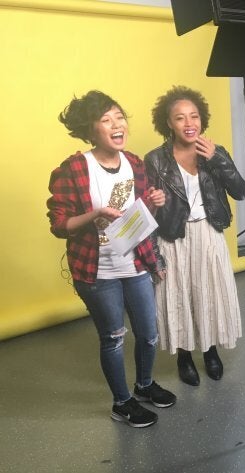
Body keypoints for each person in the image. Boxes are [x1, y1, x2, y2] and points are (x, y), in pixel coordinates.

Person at [47, 90, 176, 428]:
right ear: (90, 131)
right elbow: (60, 225)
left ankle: (145, 386)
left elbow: (137, 214)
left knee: (149, 334)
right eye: (106, 120)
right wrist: (94, 215)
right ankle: (122, 403)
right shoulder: (75, 168)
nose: (117, 125)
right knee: (114, 338)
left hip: (134, 263)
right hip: (96, 270)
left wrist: (154, 200)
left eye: (120, 117)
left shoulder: (134, 163)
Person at [144, 86, 245, 387]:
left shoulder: (215, 153)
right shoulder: (155, 160)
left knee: (210, 293)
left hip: (209, 232)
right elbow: (147, 212)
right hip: (174, 237)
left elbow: (240, 191)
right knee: (179, 296)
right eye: (180, 118)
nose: (189, 123)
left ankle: (211, 350)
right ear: (168, 123)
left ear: (202, 119)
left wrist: (217, 159)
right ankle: (184, 357)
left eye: (194, 116)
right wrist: (153, 204)